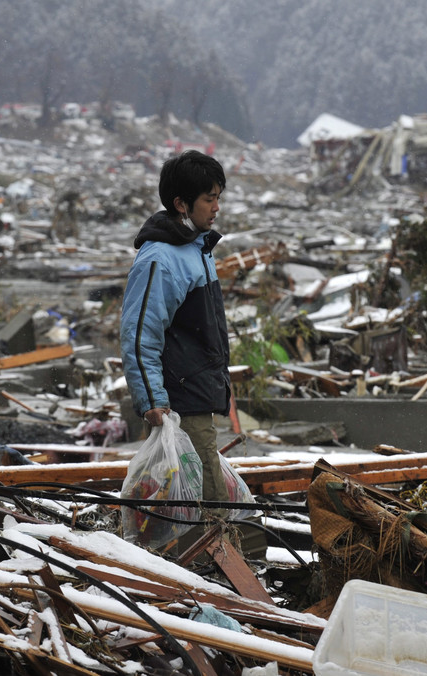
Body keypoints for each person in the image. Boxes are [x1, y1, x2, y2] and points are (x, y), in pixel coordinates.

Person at [121, 150, 231, 508]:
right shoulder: (161, 259)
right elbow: (140, 334)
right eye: (208, 199)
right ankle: (201, 565)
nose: (216, 207)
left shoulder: (196, 249)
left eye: (218, 198)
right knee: (205, 502)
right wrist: (153, 400)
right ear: (181, 204)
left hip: (197, 393)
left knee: (199, 496)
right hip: (179, 402)